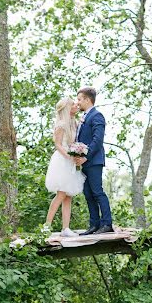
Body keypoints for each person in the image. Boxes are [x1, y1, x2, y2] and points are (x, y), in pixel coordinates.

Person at [74, 87, 113, 235]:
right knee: (88, 194)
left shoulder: (97, 116)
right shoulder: (84, 117)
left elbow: (97, 140)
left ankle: (107, 223)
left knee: (97, 192)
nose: (77, 103)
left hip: (93, 161)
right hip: (83, 162)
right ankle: (94, 225)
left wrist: (85, 157)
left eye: (79, 99)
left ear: (87, 100)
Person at [44, 97, 85, 237]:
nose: (76, 105)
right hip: (62, 160)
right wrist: (69, 156)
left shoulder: (74, 123)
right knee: (61, 194)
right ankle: (46, 226)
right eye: (73, 104)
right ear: (68, 107)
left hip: (70, 160)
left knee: (68, 196)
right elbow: (58, 144)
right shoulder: (61, 124)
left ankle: (65, 228)